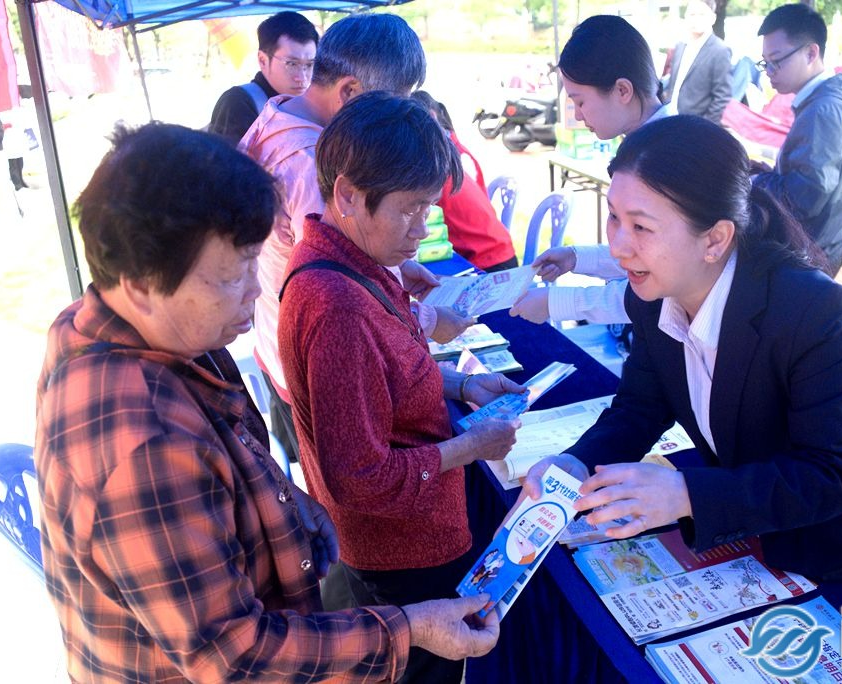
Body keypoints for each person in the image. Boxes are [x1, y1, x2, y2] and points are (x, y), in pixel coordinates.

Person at [33, 122, 500, 683]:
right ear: (141, 282)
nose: (256, 292)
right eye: (231, 278)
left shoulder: (138, 329)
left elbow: (227, 445)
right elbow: (235, 656)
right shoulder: (141, 444)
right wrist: (411, 629)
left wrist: (287, 505)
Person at [522, 115, 842, 608]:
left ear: (714, 239)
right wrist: (575, 462)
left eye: (641, 226)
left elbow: (832, 473)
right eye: (614, 217)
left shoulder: (811, 309)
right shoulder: (654, 293)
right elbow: (639, 408)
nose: (618, 245)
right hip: (759, 524)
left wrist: (685, 494)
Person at [278, 92, 525, 684]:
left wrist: (463, 385)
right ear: (346, 195)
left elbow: (389, 371)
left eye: (429, 209)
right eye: (410, 210)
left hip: (403, 541)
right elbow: (361, 477)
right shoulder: (336, 305)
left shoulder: (352, 259)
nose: (423, 229)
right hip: (397, 558)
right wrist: (472, 447)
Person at [240, 13, 469, 467]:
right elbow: (335, 276)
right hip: (319, 364)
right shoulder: (309, 162)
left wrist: (399, 268)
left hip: (281, 343)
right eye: (391, 107)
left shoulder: (281, 113)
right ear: (349, 93)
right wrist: (425, 319)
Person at [510, 15, 663, 326]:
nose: (578, 116)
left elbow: (660, 284)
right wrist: (576, 258)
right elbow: (639, 255)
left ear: (622, 91)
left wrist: (560, 302)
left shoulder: (667, 160)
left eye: (580, 102)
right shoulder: (647, 145)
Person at [751, 3, 842, 275]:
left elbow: (804, 198)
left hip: (810, 254)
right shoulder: (831, 101)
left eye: (777, 60)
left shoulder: (824, 110)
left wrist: (756, 180)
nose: (769, 71)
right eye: (765, 62)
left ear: (811, 52)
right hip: (820, 247)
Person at [411, 90, 518, 272]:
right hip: (488, 252)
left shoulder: (439, 162)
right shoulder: (449, 152)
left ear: (431, 117)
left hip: (489, 259)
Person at [208, 12, 319, 143]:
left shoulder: (313, 106)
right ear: (263, 60)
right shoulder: (238, 103)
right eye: (292, 64)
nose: (302, 77)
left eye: (309, 65)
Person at [661, 0, 733, 124]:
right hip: (671, 120)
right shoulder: (680, 47)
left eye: (701, 14)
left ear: (713, 18)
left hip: (696, 126)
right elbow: (674, 85)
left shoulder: (720, 50)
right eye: (692, 14)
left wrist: (704, 127)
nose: (696, 19)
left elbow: (722, 97)